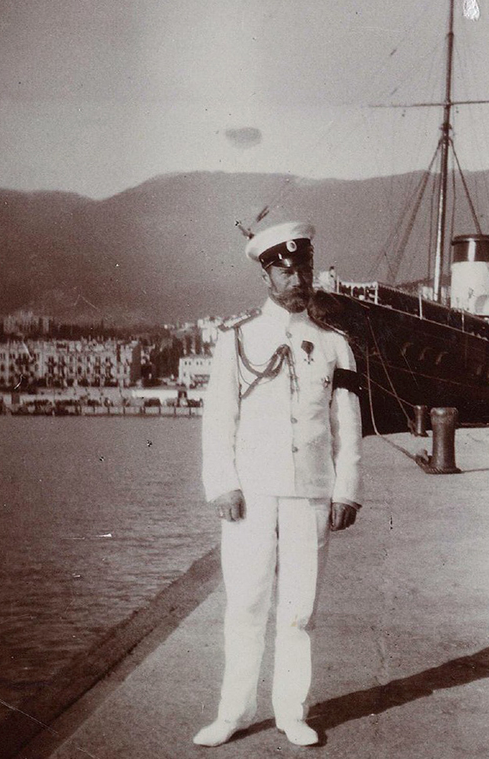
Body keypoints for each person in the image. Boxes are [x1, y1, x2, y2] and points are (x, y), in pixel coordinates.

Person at [194, 219, 363, 748]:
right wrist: (222, 483)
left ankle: (292, 711)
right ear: (266, 277)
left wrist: (346, 488)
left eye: (304, 269)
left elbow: (348, 427)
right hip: (252, 494)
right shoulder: (238, 338)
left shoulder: (335, 345)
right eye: (285, 271)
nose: (297, 279)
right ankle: (234, 712)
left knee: (299, 609)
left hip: (311, 492)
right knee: (245, 603)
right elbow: (219, 419)